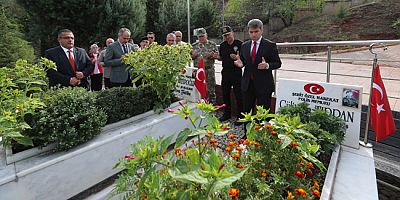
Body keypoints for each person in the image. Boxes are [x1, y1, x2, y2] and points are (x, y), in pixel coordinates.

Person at [234, 19, 282, 115]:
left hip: (263, 85)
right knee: (247, 113)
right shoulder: (244, 46)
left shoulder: (270, 45)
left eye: (256, 32)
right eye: (251, 32)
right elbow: (243, 61)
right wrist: (240, 64)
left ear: (261, 30)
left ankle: (262, 130)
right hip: (247, 85)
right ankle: (247, 130)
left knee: (263, 114)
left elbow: (278, 63)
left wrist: (267, 65)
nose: (254, 34)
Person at [215, 26, 243, 123]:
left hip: (236, 73)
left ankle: (240, 116)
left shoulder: (239, 44)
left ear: (232, 33)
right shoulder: (222, 45)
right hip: (226, 72)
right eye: (225, 36)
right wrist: (217, 57)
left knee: (239, 95)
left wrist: (237, 58)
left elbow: (243, 60)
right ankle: (227, 114)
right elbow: (222, 57)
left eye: (228, 34)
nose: (227, 37)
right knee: (225, 94)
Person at [191, 28, 219, 104]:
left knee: (211, 90)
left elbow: (218, 57)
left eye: (203, 36)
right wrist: (193, 56)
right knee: (199, 90)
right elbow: (189, 57)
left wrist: (212, 55)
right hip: (199, 72)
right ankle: (200, 110)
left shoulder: (212, 44)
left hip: (209, 70)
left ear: (206, 35)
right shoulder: (194, 46)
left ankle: (212, 109)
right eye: (199, 36)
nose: (201, 38)